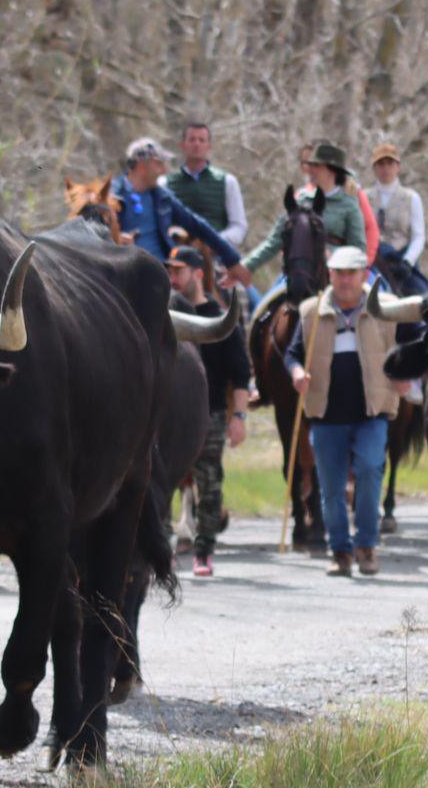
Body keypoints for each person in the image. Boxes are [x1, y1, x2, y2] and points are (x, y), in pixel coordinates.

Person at [285, 246, 408, 576]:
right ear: (330, 275)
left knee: (369, 470)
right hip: (326, 416)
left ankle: (367, 546)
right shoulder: (311, 311)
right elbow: (293, 353)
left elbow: (412, 342)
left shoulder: (387, 308)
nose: (344, 280)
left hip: (372, 413)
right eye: (338, 273)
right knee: (331, 488)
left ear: (363, 275)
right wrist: (297, 373)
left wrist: (405, 373)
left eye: (350, 273)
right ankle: (340, 552)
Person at [168, 246, 251, 578]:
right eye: (170, 272)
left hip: (210, 412)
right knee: (159, 482)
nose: (172, 278)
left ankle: (204, 551)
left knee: (210, 483)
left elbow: (241, 372)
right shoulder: (162, 311)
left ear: (198, 273)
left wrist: (240, 417)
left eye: (179, 271)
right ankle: (164, 548)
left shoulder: (219, 316)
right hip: (168, 416)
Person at [110, 137, 248, 281]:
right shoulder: (110, 197)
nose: (163, 170)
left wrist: (232, 259)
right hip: (125, 276)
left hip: (164, 275)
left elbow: (198, 225)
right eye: (158, 164)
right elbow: (93, 238)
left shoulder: (162, 198)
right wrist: (115, 239)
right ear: (142, 166)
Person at [243, 140, 366, 285]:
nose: (310, 170)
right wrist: (247, 265)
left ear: (332, 170)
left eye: (316, 165)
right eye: (310, 165)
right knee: (269, 303)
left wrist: (334, 256)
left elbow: (358, 248)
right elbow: (275, 241)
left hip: (338, 277)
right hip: (298, 272)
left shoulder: (349, 205)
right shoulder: (300, 201)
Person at [163, 120, 247, 248]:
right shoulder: (165, 183)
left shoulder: (227, 182)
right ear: (182, 145)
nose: (197, 144)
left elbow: (238, 226)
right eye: (192, 140)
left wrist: (215, 242)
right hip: (178, 255)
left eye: (201, 140)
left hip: (218, 255)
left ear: (209, 146)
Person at [366, 143, 428, 293]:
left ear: (398, 167)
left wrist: (408, 261)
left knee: (423, 299)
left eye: (390, 163)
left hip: (401, 259)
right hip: (373, 260)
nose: (386, 169)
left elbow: (418, 236)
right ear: (374, 168)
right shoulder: (364, 197)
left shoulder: (411, 197)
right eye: (381, 164)